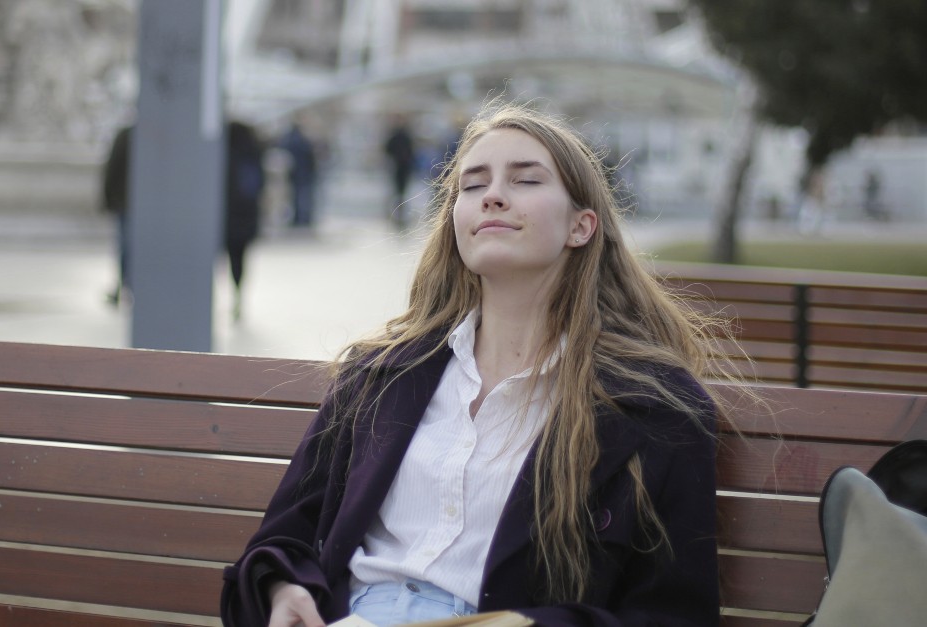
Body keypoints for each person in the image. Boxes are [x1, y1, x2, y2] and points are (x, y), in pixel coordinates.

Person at [221, 100, 744, 627]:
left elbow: (673, 613)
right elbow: (285, 535)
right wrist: (284, 588)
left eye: (526, 181)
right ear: (455, 224)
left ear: (581, 227)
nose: (492, 196)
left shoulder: (653, 408)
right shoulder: (378, 374)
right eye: (472, 186)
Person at [224, 120, 267, 321]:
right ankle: (238, 295)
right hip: (246, 218)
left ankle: (232, 298)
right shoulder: (253, 154)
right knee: (239, 260)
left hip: (226, 217)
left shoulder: (223, 154)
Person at [102, 124, 133, 305]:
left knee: (125, 246)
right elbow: (113, 168)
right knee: (126, 247)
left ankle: (125, 285)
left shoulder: (127, 135)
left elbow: (111, 168)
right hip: (126, 203)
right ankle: (125, 285)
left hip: (125, 203)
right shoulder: (127, 135)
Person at [280, 121, 318, 228]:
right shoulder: (303, 141)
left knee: (295, 198)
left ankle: (298, 219)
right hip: (304, 174)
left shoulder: (288, 141)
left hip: (294, 174)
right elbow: (310, 158)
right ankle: (303, 219)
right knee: (303, 198)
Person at [384, 115, 417, 230]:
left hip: (403, 168)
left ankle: (400, 214)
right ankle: (397, 214)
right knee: (398, 193)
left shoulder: (404, 135)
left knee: (401, 193)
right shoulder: (397, 135)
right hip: (399, 167)